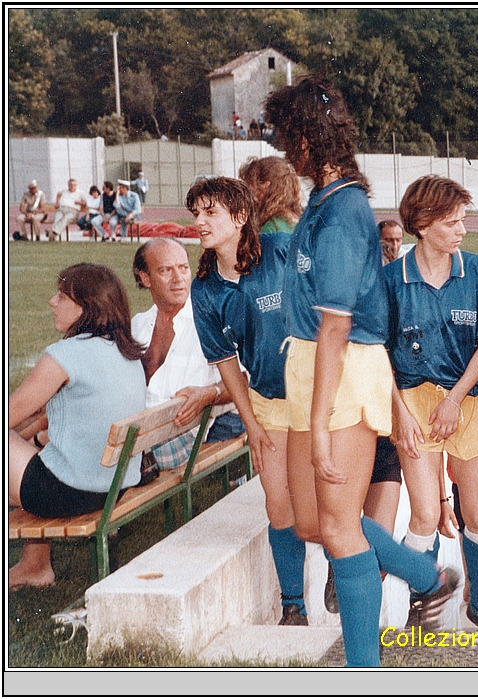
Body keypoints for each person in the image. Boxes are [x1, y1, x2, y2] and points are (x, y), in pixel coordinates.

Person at [265, 76, 457, 667]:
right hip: (310, 366)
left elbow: (338, 326)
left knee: (341, 528)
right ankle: (424, 575)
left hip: (341, 369)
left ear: (304, 138)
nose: (281, 148)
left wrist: (320, 422)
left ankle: (362, 671)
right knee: (307, 521)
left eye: (284, 136)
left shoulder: (346, 208)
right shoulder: (323, 200)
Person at [386, 175, 478, 631]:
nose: (461, 230)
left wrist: (455, 399)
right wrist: (400, 414)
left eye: (462, 221)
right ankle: (425, 598)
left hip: (469, 396)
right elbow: (378, 353)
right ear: (421, 223)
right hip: (410, 399)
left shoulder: (476, 270)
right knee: (426, 513)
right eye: (451, 222)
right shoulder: (391, 278)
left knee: (476, 514)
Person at [187, 176, 308, 626]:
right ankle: (293, 603)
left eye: (210, 212)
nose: (199, 221)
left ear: (240, 218)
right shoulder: (205, 290)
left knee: (320, 505)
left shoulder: (281, 250)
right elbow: (226, 364)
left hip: (318, 394)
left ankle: (346, 566)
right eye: (196, 213)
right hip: (269, 401)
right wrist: (251, 423)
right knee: (278, 504)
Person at [8, 264, 146, 588]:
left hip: (69, 491)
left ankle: (36, 566)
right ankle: (34, 565)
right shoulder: (124, 349)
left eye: (61, 295)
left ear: (86, 306)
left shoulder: (66, 354)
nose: (52, 302)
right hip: (113, 486)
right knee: (34, 447)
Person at [131, 238, 242, 474]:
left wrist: (208, 394)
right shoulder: (139, 326)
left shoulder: (210, 321)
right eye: (165, 270)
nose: (178, 278)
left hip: (180, 433)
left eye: (183, 268)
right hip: (137, 428)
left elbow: (246, 379)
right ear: (145, 278)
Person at [238, 156, 303, 235]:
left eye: (250, 186)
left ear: (265, 186)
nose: (247, 194)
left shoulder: (271, 228)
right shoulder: (299, 219)